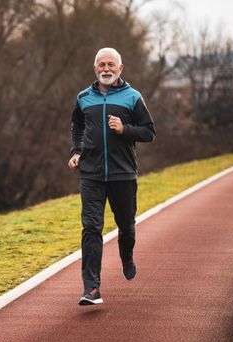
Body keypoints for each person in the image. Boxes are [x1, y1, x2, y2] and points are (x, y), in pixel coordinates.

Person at [68, 47, 155, 306]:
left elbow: (148, 132)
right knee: (91, 228)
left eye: (111, 65)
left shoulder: (133, 97)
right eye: (101, 65)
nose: (106, 69)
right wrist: (76, 151)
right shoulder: (84, 97)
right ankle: (91, 288)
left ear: (120, 68)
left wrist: (124, 128)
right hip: (91, 175)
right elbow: (78, 125)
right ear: (95, 68)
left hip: (123, 174)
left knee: (126, 226)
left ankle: (126, 256)